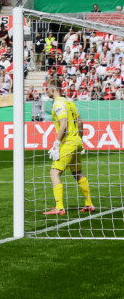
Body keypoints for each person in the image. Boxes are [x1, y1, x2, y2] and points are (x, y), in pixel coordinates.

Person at [43, 77, 95, 215]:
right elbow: (80, 123)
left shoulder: (58, 104)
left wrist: (56, 144)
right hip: (77, 141)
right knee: (77, 173)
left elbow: (64, 125)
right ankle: (89, 204)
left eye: (48, 88)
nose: (47, 91)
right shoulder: (69, 103)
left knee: (54, 172)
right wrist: (79, 140)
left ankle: (59, 207)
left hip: (68, 142)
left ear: (53, 89)